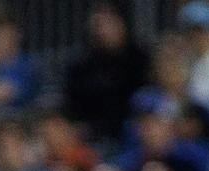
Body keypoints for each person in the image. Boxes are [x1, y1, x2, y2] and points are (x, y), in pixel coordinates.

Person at [64, 3, 152, 145]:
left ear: (122, 24)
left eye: (108, 23)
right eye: (98, 25)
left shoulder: (140, 59)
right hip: (93, 136)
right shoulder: (81, 66)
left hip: (132, 133)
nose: (103, 31)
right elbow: (72, 105)